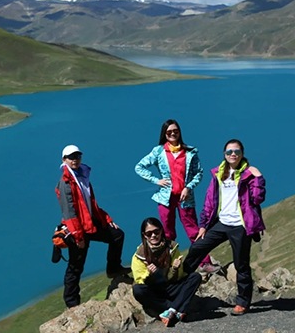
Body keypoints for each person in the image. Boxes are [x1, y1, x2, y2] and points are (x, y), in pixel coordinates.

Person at [183, 139, 266, 316]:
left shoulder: (249, 174)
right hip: (221, 223)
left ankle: (242, 302)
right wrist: (204, 225)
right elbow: (209, 201)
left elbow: (258, 199)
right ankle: (180, 283)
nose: (232, 154)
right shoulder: (218, 174)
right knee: (197, 248)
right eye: (229, 152)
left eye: (236, 151)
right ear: (224, 154)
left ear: (242, 154)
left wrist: (258, 177)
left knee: (241, 264)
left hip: (240, 226)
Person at [135, 119, 219, 274]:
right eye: (169, 132)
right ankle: (166, 263)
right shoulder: (159, 151)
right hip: (165, 198)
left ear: (179, 132)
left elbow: (199, 173)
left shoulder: (190, 152)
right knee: (167, 233)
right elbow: (139, 167)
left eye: (175, 131)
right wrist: (156, 180)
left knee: (194, 231)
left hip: (185, 198)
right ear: (164, 134)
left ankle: (204, 263)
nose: (172, 134)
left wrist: (188, 187)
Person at [55, 144, 131, 308]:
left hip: (90, 223)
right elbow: (70, 213)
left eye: (77, 156)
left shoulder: (81, 176)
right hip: (78, 229)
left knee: (117, 235)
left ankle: (113, 268)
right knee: (76, 267)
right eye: (71, 157)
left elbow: (91, 204)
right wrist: (78, 236)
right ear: (64, 160)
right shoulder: (66, 182)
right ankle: (72, 304)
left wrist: (106, 218)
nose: (75, 159)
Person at [131, 217, 202, 327]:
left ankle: (170, 311)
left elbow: (177, 278)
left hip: (170, 286)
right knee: (138, 290)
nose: (153, 235)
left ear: (161, 231)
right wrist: (148, 274)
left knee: (195, 277)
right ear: (144, 235)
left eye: (156, 231)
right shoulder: (139, 255)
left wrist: (175, 269)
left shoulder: (172, 248)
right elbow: (139, 280)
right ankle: (177, 308)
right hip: (154, 291)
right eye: (149, 233)